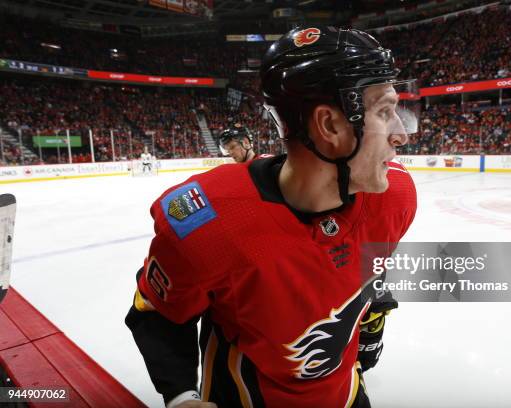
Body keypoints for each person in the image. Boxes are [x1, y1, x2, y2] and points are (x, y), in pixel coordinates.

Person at [125, 26, 418, 408]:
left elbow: (364, 275)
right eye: (384, 112)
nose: (401, 134)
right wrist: (181, 396)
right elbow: (157, 314)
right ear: (330, 125)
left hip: (345, 395)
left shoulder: (397, 196)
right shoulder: (208, 221)